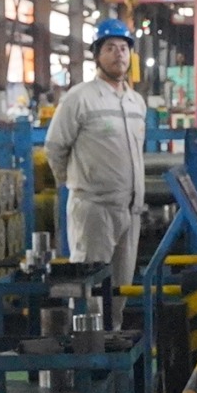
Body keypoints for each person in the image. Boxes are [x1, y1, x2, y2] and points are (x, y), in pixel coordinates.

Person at [46, 18, 148, 288]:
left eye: (123, 48)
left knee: (121, 287)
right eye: (110, 48)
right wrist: (75, 183)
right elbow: (55, 147)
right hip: (94, 210)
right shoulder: (79, 98)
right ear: (97, 55)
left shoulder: (136, 102)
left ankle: (114, 320)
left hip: (131, 209)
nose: (118, 54)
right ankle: (86, 321)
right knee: (88, 288)